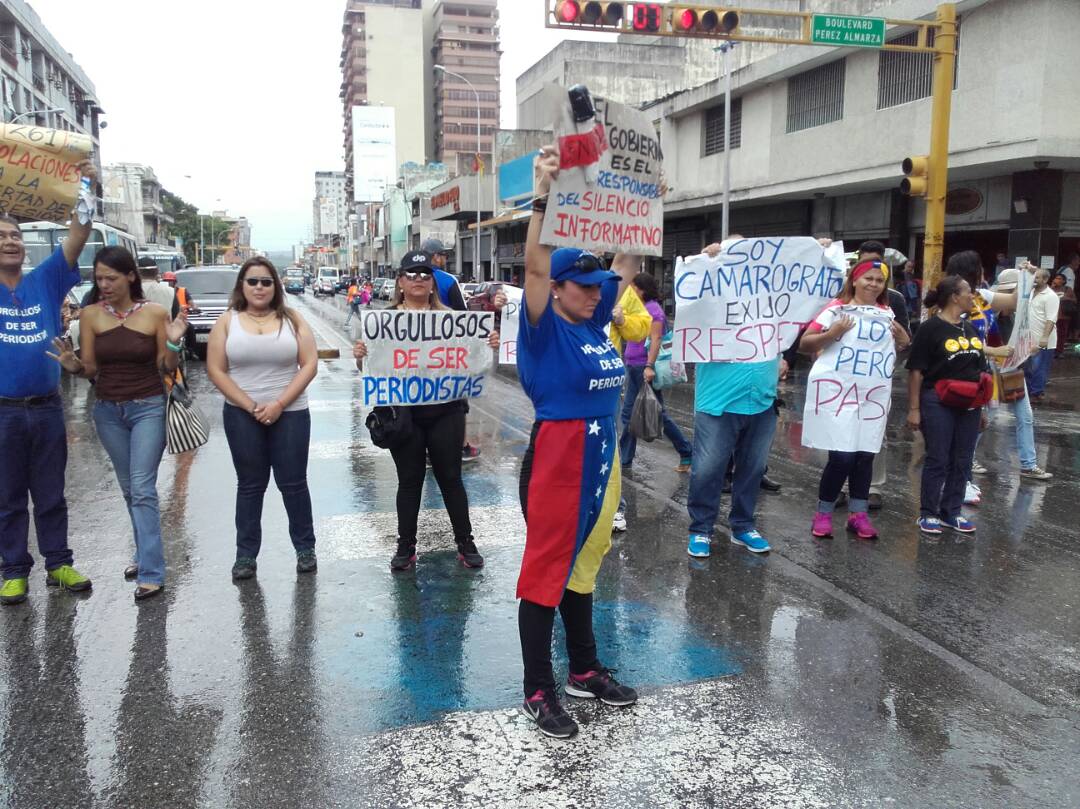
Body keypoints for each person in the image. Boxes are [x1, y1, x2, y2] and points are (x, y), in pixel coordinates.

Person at [514, 145, 639, 739]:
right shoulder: (542, 330)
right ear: (559, 288)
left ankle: (583, 669)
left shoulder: (593, 322)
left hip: (601, 454)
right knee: (546, 572)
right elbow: (535, 269)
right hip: (559, 457)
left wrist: (642, 197)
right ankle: (537, 686)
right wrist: (542, 198)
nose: (595, 294)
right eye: (583, 286)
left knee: (584, 565)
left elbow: (627, 263)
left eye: (597, 287)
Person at [49, 246, 188, 601]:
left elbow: (167, 367)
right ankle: (143, 554)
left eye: (111, 277)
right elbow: (92, 370)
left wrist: (173, 339)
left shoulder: (155, 313)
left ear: (130, 276)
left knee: (142, 488)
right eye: (98, 279)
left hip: (148, 407)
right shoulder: (91, 316)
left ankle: (152, 572)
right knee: (130, 489)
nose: (104, 284)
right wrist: (74, 366)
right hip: (108, 411)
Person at [352, 251, 497, 572]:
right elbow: (371, 368)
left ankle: (466, 541)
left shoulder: (452, 320)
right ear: (400, 282)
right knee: (410, 481)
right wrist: (360, 354)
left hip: (446, 411)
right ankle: (406, 547)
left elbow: (473, 358)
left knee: (451, 478)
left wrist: (489, 343)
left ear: (432, 283)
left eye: (424, 275)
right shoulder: (382, 321)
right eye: (411, 274)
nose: (418, 280)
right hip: (404, 415)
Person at [0, 163, 97, 606]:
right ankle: (14, 570)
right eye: (2, 236)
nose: (10, 241)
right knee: (8, 496)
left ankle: (58, 562)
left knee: (51, 492)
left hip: (45, 406)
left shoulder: (45, 279)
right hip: (2, 410)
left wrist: (87, 182)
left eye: (15, 236)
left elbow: (78, 233)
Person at [206, 258, 320, 580]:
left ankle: (305, 548)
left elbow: (309, 364)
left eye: (266, 282)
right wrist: (252, 405)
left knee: (293, 484)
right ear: (242, 285)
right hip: (243, 414)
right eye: (253, 281)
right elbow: (216, 369)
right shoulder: (228, 321)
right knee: (250, 485)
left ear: (276, 286)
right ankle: (245, 555)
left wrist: (280, 404)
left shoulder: (292, 318)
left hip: (291, 412)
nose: (259, 287)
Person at [799, 259, 909, 540]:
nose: (873, 284)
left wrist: (903, 339)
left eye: (879, 280)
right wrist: (833, 333)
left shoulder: (886, 313)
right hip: (840, 395)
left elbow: (898, 349)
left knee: (865, 455)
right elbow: (805, 343)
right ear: (855, 280)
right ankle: (823, 514)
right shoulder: (836, 309)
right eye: (868, 278)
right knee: (842, 456)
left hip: (871, 395)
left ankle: (858, 515)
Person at [946, 254, 1048, 489]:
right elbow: (951, 337)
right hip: (971, 369)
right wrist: (994, 350)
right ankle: (960, 475)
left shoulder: (981, 296)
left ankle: (1027, 463)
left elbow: (1013, 301)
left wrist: (1026, 276)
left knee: (1018, 415)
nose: (983, 273)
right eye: (980, 269)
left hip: (1000, 365)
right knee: (976, 421)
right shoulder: (951, 300)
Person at [907, 274, 996, 536]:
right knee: (939, 456)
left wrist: (982, 408)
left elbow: (980, 371)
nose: (973, 296)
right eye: (969, 291)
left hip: (969, 402)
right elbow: (916, 371)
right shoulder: (930, 328)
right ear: (954, 297)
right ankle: (929, 513)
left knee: (963, 458)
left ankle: (951, 512)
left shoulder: (970, 328)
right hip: (937, 399)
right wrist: (914, 408)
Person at [420, 237, 501, 462]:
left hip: (417, 355)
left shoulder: (412, 279)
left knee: (422, 398)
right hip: (447, 353)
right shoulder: (447, 281)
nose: (445, 259)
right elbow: (463, 318)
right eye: (443, 255)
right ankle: (461, 445)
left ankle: (425, 447)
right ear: (435, 256)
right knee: (457, 398)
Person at [618, 272, 692, 471]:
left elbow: (656, 339)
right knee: (632, 414)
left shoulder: (654, 310)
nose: (629, 291)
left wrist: (649, 366)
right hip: (633, 366)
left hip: (643, 368)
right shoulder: (638, 308)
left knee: (655, 415)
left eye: (632, 287)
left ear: (641, 289)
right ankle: (624, 459)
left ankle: (686, 451)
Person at [1025, 268, 1059, 401]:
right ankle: (1029, 392)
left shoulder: (1051, 296)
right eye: (1034, 277)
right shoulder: (1030, 292)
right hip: (1028, 339)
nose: (1034, 280)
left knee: (1039, 368)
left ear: (1045, 280)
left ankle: (1036, 393)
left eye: (1037, 278)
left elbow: (1051, 318)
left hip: (1044, 340)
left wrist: (1044, 337)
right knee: (1028, 368)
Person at [1052, 274, 1076, 357]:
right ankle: (1052, 350)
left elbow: (1074, 300)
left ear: (1064, 281)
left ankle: (1059, 351)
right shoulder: (1051, 289)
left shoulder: (1067, 289)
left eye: (1059, 279)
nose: (1057, 280)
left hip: (1064, 316)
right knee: (1052, 333)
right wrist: (1052, 287)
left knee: (1062, 334)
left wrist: (1065, 298)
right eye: (1056, 278)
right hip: (1053, 315)